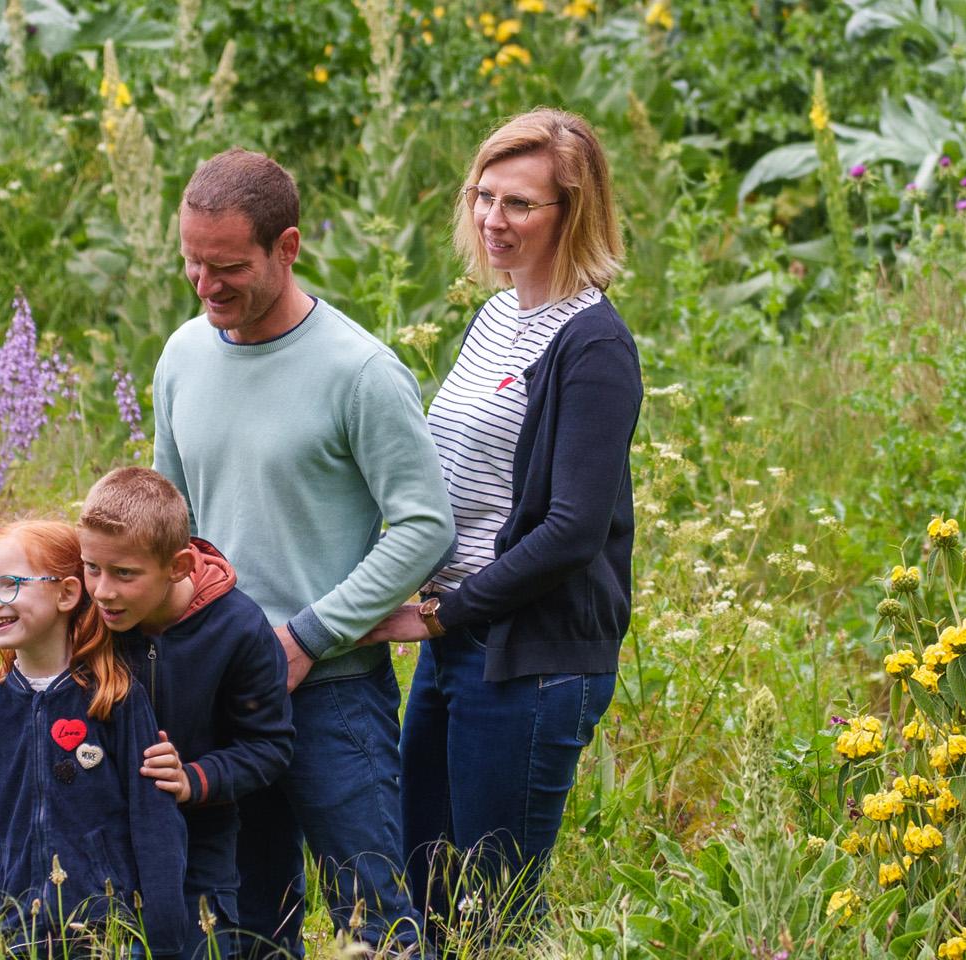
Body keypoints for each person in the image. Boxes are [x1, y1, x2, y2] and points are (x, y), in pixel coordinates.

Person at [152, 147, 457, 955]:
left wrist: (305, 638)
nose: (206, 286)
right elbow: (169, 526)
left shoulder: (359, 372)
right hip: (222, 697)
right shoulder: (182, 356)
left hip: (332, 695)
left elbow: (426, 526)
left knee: (377, 922)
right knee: (245, 920)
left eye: (228, 267)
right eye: (191, 264)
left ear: (287, 248)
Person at [362, 107, 641, 950]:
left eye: (520, 204)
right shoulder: (493, 319)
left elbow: (570, 531)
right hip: (461, 645)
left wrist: (445, 612)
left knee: (493, 915)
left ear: (573, 212)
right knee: (430, 886)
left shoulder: (594, 344)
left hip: (532, 658)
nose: (492, 219)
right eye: (484, 196)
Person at [77, 466, 296, 957]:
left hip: (202, 841)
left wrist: (193, 779)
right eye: (92, 567)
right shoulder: (83, 616)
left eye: (124, 574)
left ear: (177, 566)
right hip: (100, 839)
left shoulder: (239, 629)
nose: (103, 590)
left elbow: (269, 745)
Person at [0, 520, 191, 957]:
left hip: (109, 932)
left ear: (66, 593)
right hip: (21, 929)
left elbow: (155, 822)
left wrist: (163, 938)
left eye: (9, 585)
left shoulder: (114, 698)